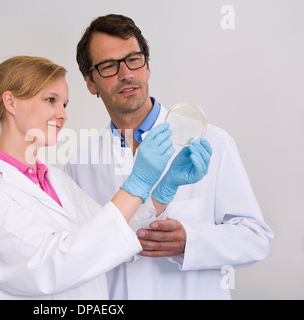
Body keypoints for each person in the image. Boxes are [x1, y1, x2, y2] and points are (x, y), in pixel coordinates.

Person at [0, 55, 211, 299]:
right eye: (51, 100)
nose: (63, 114)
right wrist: (137, 183)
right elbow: (55, 263)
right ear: (10, 102)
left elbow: (111, 237)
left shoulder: (56, 179)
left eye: (64, 104)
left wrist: (163, 190)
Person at [65, 14, 274, 299]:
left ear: (147, 67)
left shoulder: (212, 141)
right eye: (108, 66)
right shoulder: (80, 164)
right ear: (90, 83)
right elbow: (79, 255)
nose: (126, 74)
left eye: (134, 59)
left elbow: (255, 238)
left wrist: (191, 241)